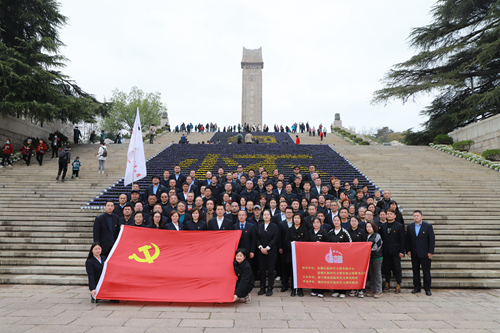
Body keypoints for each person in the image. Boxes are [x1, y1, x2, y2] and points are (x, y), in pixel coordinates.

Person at [406, 210, 435, 296]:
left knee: (426, 271)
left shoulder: (428, 226)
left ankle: (427, 288)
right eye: (414, 216)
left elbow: (431, 240)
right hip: (414, 253)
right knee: (415, 271)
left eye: (417, 215)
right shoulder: (410, 226)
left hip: (425, 253)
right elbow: (408, 239)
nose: (416, 217)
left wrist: (431, 251)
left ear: (421, 216)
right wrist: (408, 250)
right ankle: (417, 287)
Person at [380, 209, 405, 293]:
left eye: (391, 214)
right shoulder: (383, 226)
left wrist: (402, 251)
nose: (389, 215)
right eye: (388, 214)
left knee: (397, 268)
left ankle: (398, 283)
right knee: (386, 268)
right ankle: (387, 282)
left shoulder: (399, 226)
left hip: (396, 251)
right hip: (386, 251)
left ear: (395, 216)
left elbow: (403, 240)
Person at [256, 210, 280, 297]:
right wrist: (261, 247)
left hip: (271, 251)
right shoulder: (259, 226)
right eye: (264, 215)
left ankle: (270, 287)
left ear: (270, 216)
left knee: (270, 271)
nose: (266, 216)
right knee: (262, 270)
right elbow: (257, 238)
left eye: (267, 214)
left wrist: (267, 248)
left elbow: (275, 238)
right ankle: (262, 287)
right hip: (261, 251)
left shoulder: (274, 226)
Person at [328, 215, 352, 298]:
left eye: (338, 220)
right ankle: (336, 290)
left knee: (341, 274)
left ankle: (342, 291)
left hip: (342, 257)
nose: (336, 222)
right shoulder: (330, 232)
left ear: (340, 221)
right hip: (333, 258)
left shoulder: (344, 232)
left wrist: (341, 246)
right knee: (334, 274)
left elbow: (350, 244)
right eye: (335, 220)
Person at [289, 214, 309, 297]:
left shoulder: (304, 229)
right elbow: (286, 240)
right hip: (292, 254)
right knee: (292, 271)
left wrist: (298, 243)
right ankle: (293, 289)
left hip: (301, 254)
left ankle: (300, 289)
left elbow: (307, 240)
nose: (297, 220)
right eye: (295, 218)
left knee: (301, 272)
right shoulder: (290, 229)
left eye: (298, 218)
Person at [308, 217, 329, 297]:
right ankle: (314, 290)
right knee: (313, 273)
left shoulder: (324, 232)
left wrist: (321, 244)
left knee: (321, 273)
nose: (316, 224)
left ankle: (321, 291)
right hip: (312, 256)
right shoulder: (310, 232)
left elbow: (328, 242)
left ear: (321, 224)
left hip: (321, 256)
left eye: (317, 222)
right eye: (314, 222)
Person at [365, 221, 383, 298]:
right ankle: (372, 289)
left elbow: (377, 246)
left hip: (377, 257)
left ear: (373, 227)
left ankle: (379, 290)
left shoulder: (377, 235)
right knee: (371, 274)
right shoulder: (366, 236)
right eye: (367, 227)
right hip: (368, 258)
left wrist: (370, 254)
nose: (368, 228)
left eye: (370, 227)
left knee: (377, 273)